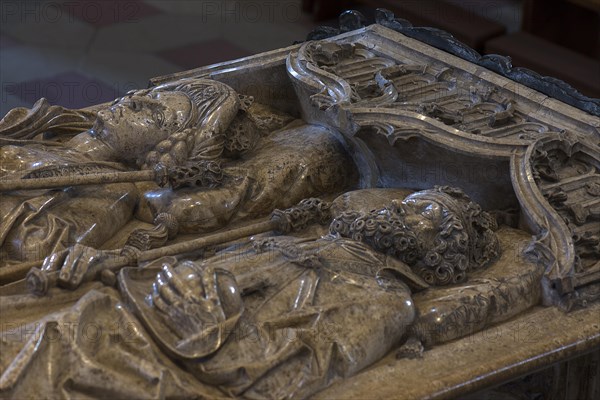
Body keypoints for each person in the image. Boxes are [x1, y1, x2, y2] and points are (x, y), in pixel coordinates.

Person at [0, 79, 355, 271]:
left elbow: (34, 247)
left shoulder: (110, 193)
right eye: (146, 97)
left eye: (154, 116)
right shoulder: (47, 130)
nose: (132, 101)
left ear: (160, 152)